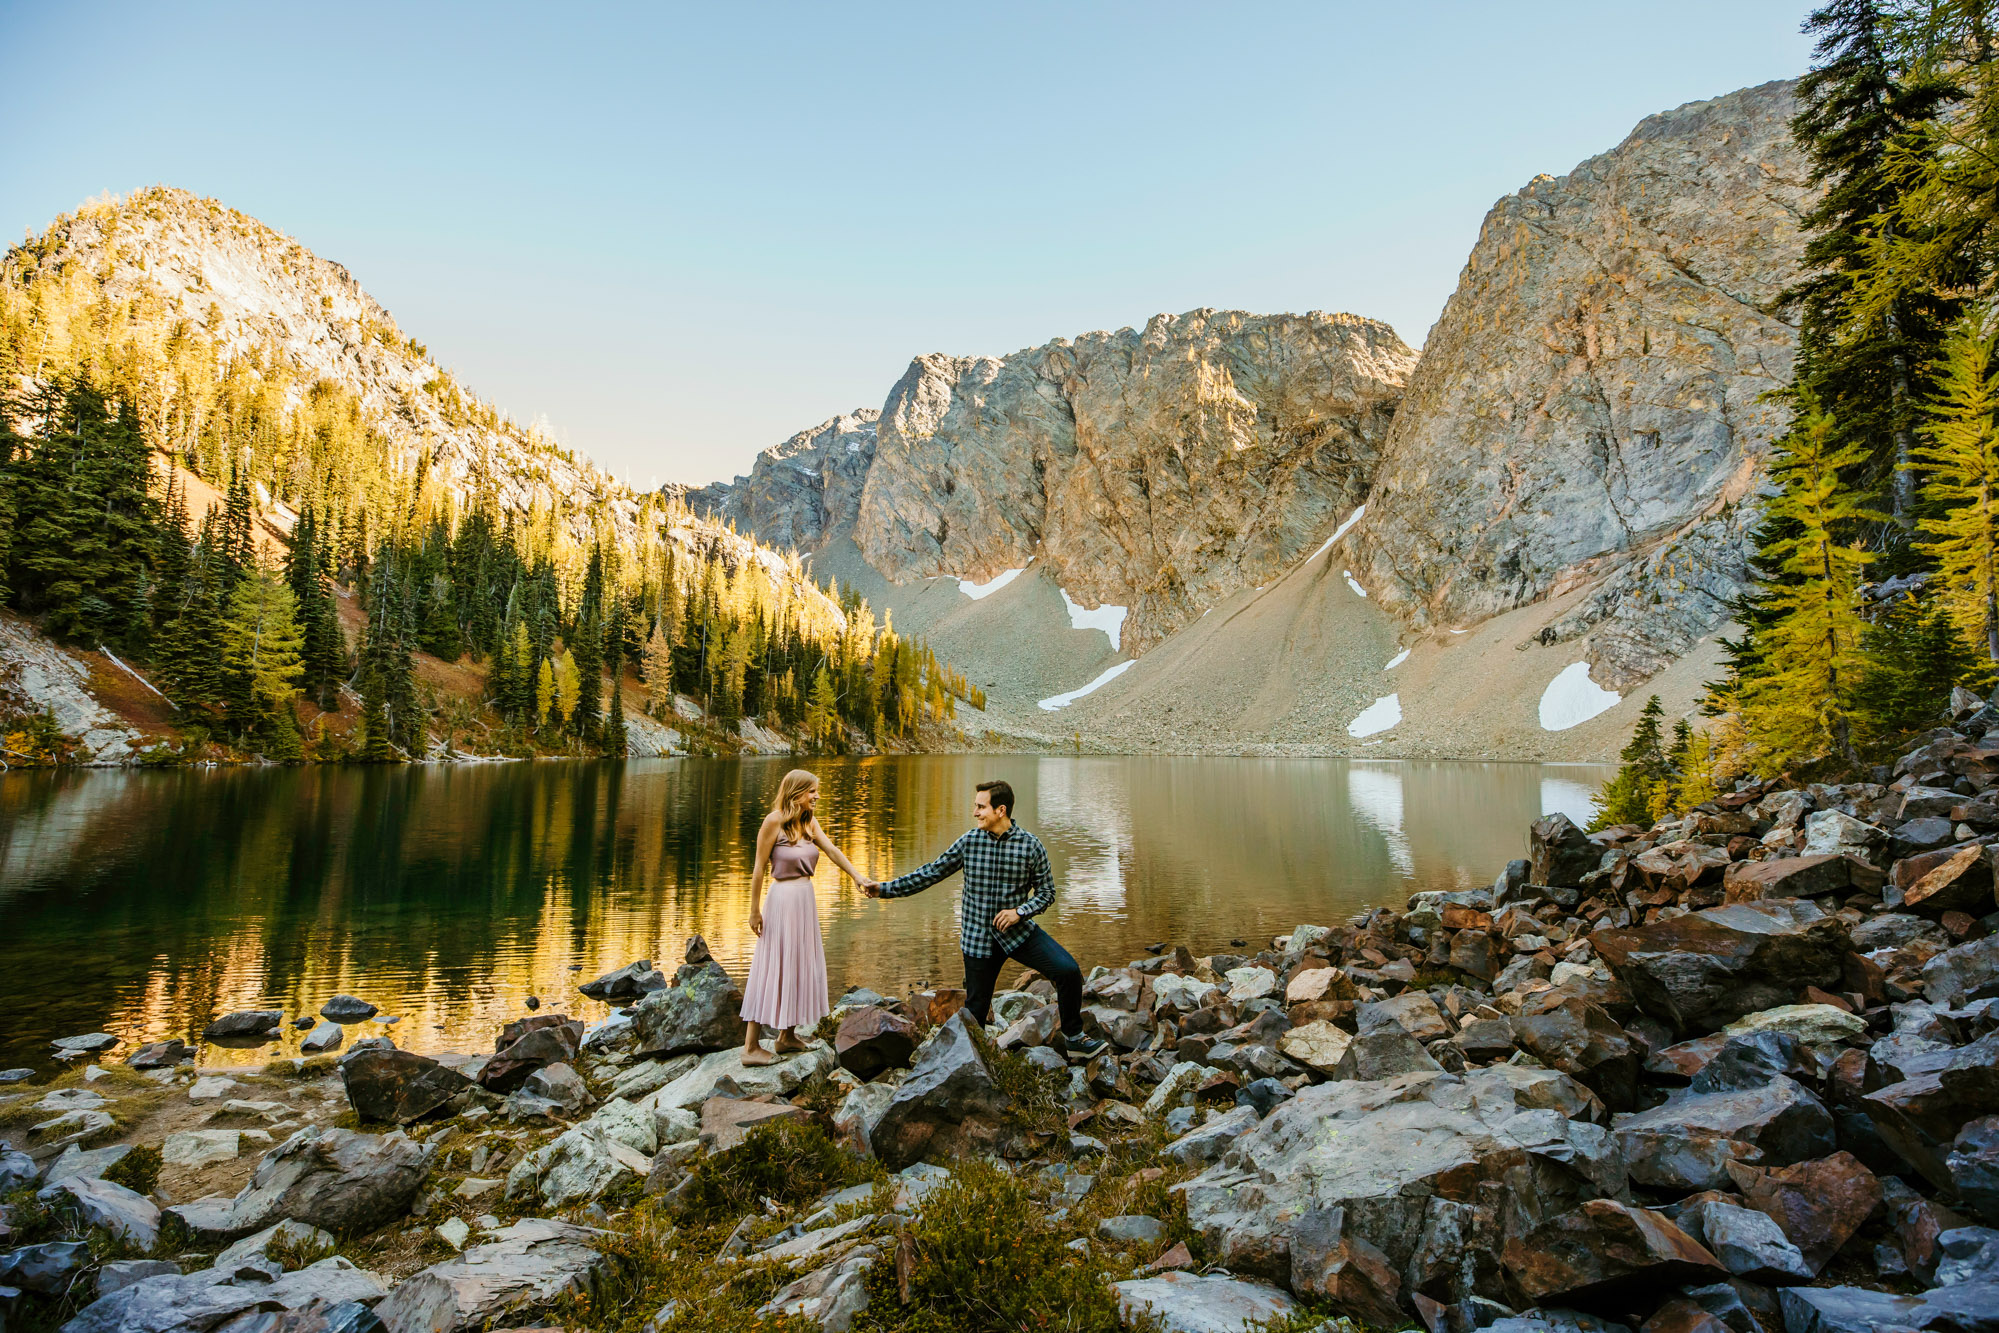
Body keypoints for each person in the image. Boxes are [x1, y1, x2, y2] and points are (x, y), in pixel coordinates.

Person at [866, 778, 1105, 1058]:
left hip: (1018, 934)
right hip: (977, 940)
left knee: (1068, 971)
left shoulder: (1030, 846)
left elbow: (1047, 893)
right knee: (975, 1014)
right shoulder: (969, 842)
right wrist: (884, 889)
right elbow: (929, 873)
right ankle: (967, 1065)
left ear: (1000, 810)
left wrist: (1020, 912)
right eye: (975, 806)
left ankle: (1074, 1038)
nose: (975, 812)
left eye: (981, 807)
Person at [741, 768, 875, 1066]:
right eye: (812, 791)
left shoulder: (808, 822)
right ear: (796, 792)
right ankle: (750, 1048)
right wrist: (754, 909)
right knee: (773, 964)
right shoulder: (774, 821)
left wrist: (857, 876)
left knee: (799, 962)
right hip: (782, 900)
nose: (817, 795)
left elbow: (831, 850)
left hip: (805, 899)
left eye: (817, 790)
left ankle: (786, 1037)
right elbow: (759, 868)